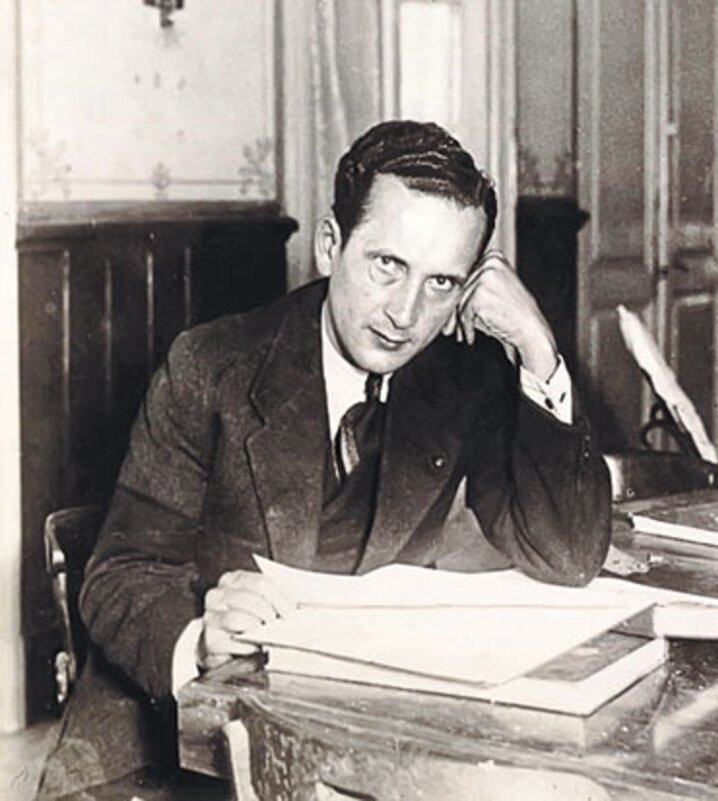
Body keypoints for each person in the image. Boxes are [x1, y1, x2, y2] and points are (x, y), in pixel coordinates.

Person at [40, 120, 611, 797]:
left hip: (347, 736)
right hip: (171, 746)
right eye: (387, 265)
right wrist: (198, 638)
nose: (405, 313)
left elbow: (566, 555)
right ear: (330, 245)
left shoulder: (464, 379)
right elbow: (120, 572)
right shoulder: (211, 367)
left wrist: (537, 347)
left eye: (441, 282)